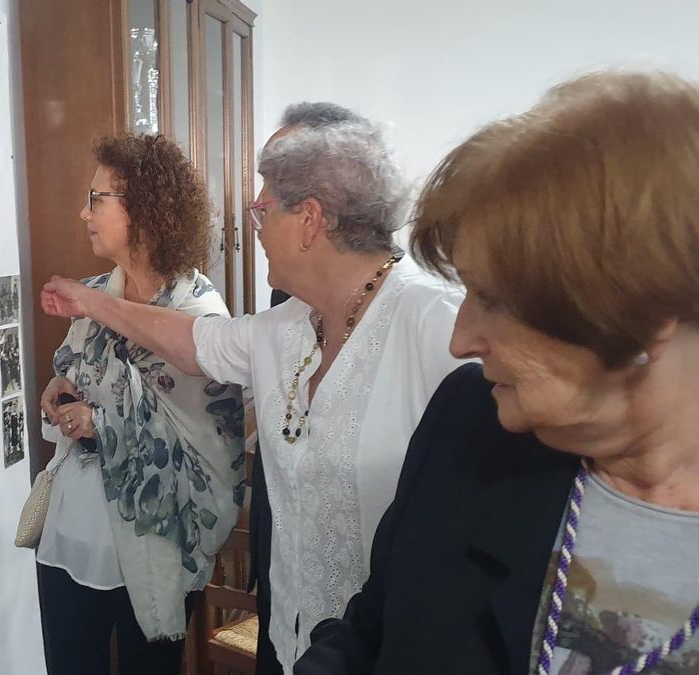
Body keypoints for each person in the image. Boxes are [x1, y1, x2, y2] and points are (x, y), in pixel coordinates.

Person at [293, 71, 699, 674]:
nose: (461, 341)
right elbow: (371, 631)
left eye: (495, 300)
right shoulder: (470, 418)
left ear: (639, 313)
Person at [41, 106, 466, 674]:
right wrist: (90, 300)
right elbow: (195, 343)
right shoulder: (286, 326)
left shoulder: (436, 323)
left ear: (310, 219)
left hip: (390, 650)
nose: (255, 224)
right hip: (289, 640)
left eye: (263, 207)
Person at [36, 134, 245, 675]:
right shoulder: (92, 294)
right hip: (71, 534)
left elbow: (209, 446)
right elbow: (76, 369)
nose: (82, 212)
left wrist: (100, 423)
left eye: (97, 198)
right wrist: (58, 392)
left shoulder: (198, 318)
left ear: (144, 209)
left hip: (155, 541)